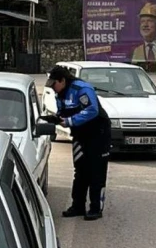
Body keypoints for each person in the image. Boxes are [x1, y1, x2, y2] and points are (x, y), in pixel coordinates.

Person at [44, 65, 111, 220]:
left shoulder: (82, 89)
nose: (53, 88)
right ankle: (78, 206)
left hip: (98, 135)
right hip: (80, 136)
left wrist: (70, 121)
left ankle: (95, 208)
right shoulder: (60, 94)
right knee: (80, 171)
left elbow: (92, 110)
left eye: (54, 84)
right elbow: (63, 111)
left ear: (62, 80)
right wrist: (57, 119)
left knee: (96, 172)